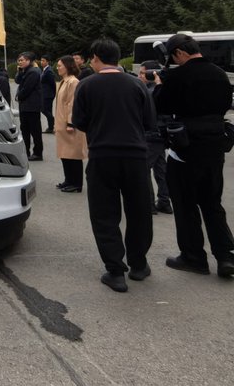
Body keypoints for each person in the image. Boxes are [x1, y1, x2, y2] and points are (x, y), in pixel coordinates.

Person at [69, 38, 155, 292]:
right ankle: (139, 264)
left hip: (102, 155)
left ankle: (115, 270)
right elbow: (149, 122)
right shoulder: (137, 84)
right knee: (139, 211)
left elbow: (80, 122)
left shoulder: (86, 86)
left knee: (104, 213)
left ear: (95, 57)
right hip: (136, 156)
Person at [153, 33, 234, 278]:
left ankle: (193, 256)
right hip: (215, 146)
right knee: (212, 203)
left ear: (179, 53)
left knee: (186, 204)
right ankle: (226, 256)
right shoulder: (220, 74)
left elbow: (161, 107)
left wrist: (159, 86)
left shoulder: (178, 76)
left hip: (185, 147)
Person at [137, 62, 173, 216]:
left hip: (151, 134)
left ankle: (149, 204)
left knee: (144, 169)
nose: (140, 76)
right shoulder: (161, 89)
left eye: (143, 73)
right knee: (161, 169)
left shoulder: (151, 91)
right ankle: (164, 202)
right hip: (162, 134)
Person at [53, 56, 86, 192]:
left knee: (73, 155)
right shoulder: (64, 81)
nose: (58, 68)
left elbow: (72, 104)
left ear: (68, 66)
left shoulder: (73, 82)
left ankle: (76, 183)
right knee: (65, 154)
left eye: (60, 65)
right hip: (62, 123)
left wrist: (71, 123)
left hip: (69, 124)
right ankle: (68, 180)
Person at [15, 52, 43, 161]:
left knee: (35, 131)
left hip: (32, 107)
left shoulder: (34, 72)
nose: (20, 62)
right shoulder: (25, 70)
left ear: (29, 61)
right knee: (25, 130)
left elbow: (27, 89)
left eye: (23, 60)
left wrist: (19, 96)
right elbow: (17, 81)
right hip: (25, 106)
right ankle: (26, 152)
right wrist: (20, 71)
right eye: (19, 60)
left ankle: (38, 153)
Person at [39, 55, 56, 131]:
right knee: (47, 110)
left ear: (47, 62)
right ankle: (51, 127)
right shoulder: (44, 70)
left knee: (44, 110)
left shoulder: (49, 71)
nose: (41, 62)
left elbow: (53, 84)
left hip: (48, 95)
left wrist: (52, 94)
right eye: (41, 60)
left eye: (43, 60)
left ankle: (53, 122)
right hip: (45, 94)